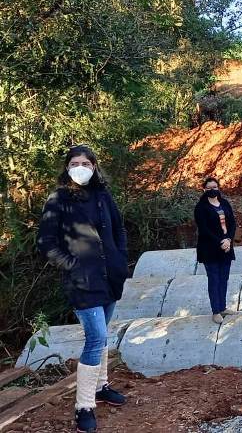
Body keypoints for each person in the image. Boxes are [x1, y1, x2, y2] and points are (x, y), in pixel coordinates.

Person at [37, 145, 128, 433]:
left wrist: (120, 257)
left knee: (103, 337)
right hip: (82, 281)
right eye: (74, 162)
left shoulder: (102, 195)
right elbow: (46, 243)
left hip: (109, 277)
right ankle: (84, 406)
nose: (80, 167)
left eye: (85, 163)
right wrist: (72, 265)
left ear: (94, 166)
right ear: (67, 167)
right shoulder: (58, 199)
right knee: (96, 337)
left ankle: (101, 387)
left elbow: (119, 228)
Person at [194, 177, 237, 324]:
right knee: (214, 279)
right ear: (204, 189)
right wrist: (220, 241)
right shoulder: (201, 208)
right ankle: (215, 311)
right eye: (209, 188)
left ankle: (223, 307)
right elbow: (204, 230)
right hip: (210, 249)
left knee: (224, 278)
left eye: (215, 187)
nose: (213, 190)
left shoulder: (224, 203)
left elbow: (232, 223)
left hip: (226, 247)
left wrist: (229, 240)